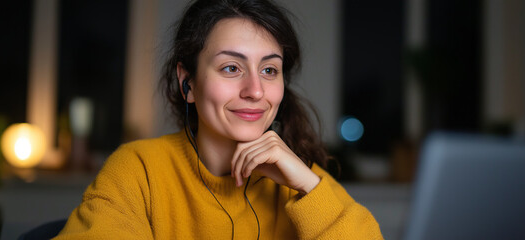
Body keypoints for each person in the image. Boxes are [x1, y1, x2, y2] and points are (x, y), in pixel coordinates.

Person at [54, 0, 382, 239]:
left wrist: (308, 186)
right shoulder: (139, 171)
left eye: (269, 70)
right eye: (231, 68)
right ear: (189, 83)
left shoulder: (302, 180)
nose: (255, 90)